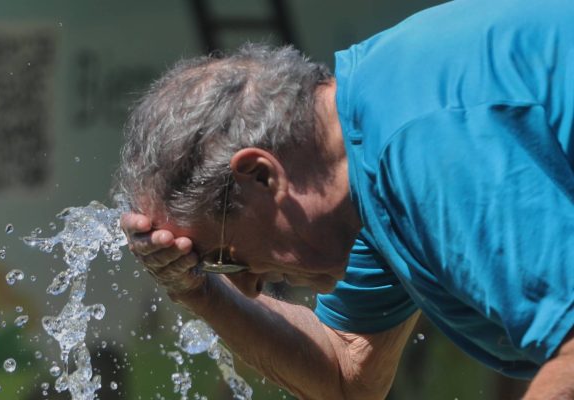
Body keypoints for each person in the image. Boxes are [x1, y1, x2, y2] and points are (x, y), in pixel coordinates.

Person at [115, 0, 574, 398]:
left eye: (225, 258)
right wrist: (198, 291)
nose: (251, 286)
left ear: (260, 176)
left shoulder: (421, 143)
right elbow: (345, 376)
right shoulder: (366, 169)